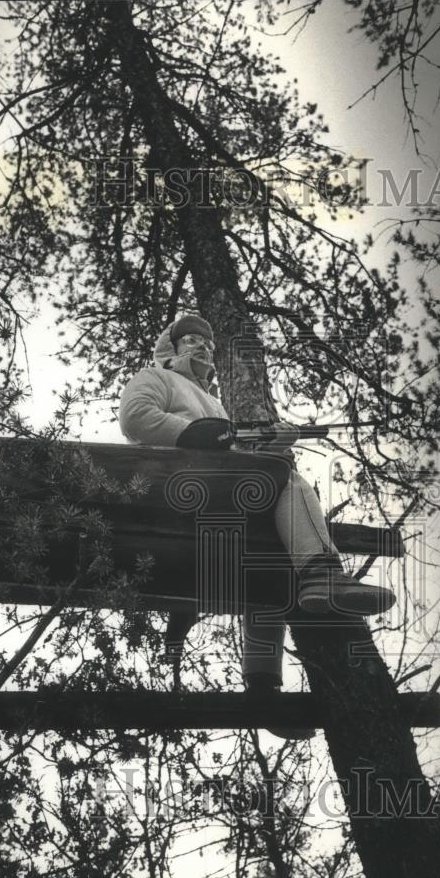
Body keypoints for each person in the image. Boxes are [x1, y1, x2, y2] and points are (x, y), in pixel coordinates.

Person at [118, 314, 395, 734]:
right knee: (287, 477)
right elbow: (136, 417)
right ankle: (323, 573)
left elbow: (231, 445)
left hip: (216, 496)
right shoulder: (156, 377)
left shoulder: (214, 402)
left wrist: (269, 442)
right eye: (191, 340)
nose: (202, 347)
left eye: (207, 342)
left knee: (272, 562)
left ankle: (262, 689)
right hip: (174, 491)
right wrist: (196, 434)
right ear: (171, 350)